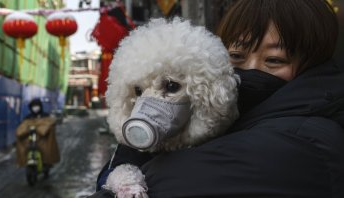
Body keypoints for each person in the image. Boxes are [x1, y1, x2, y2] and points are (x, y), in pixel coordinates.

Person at [93, 0, 344, 197]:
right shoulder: (240, 116)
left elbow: (169, 183)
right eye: (236, 56)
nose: (250, 69)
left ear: (312, 63)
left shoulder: (302, 139)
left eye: (274, 60)